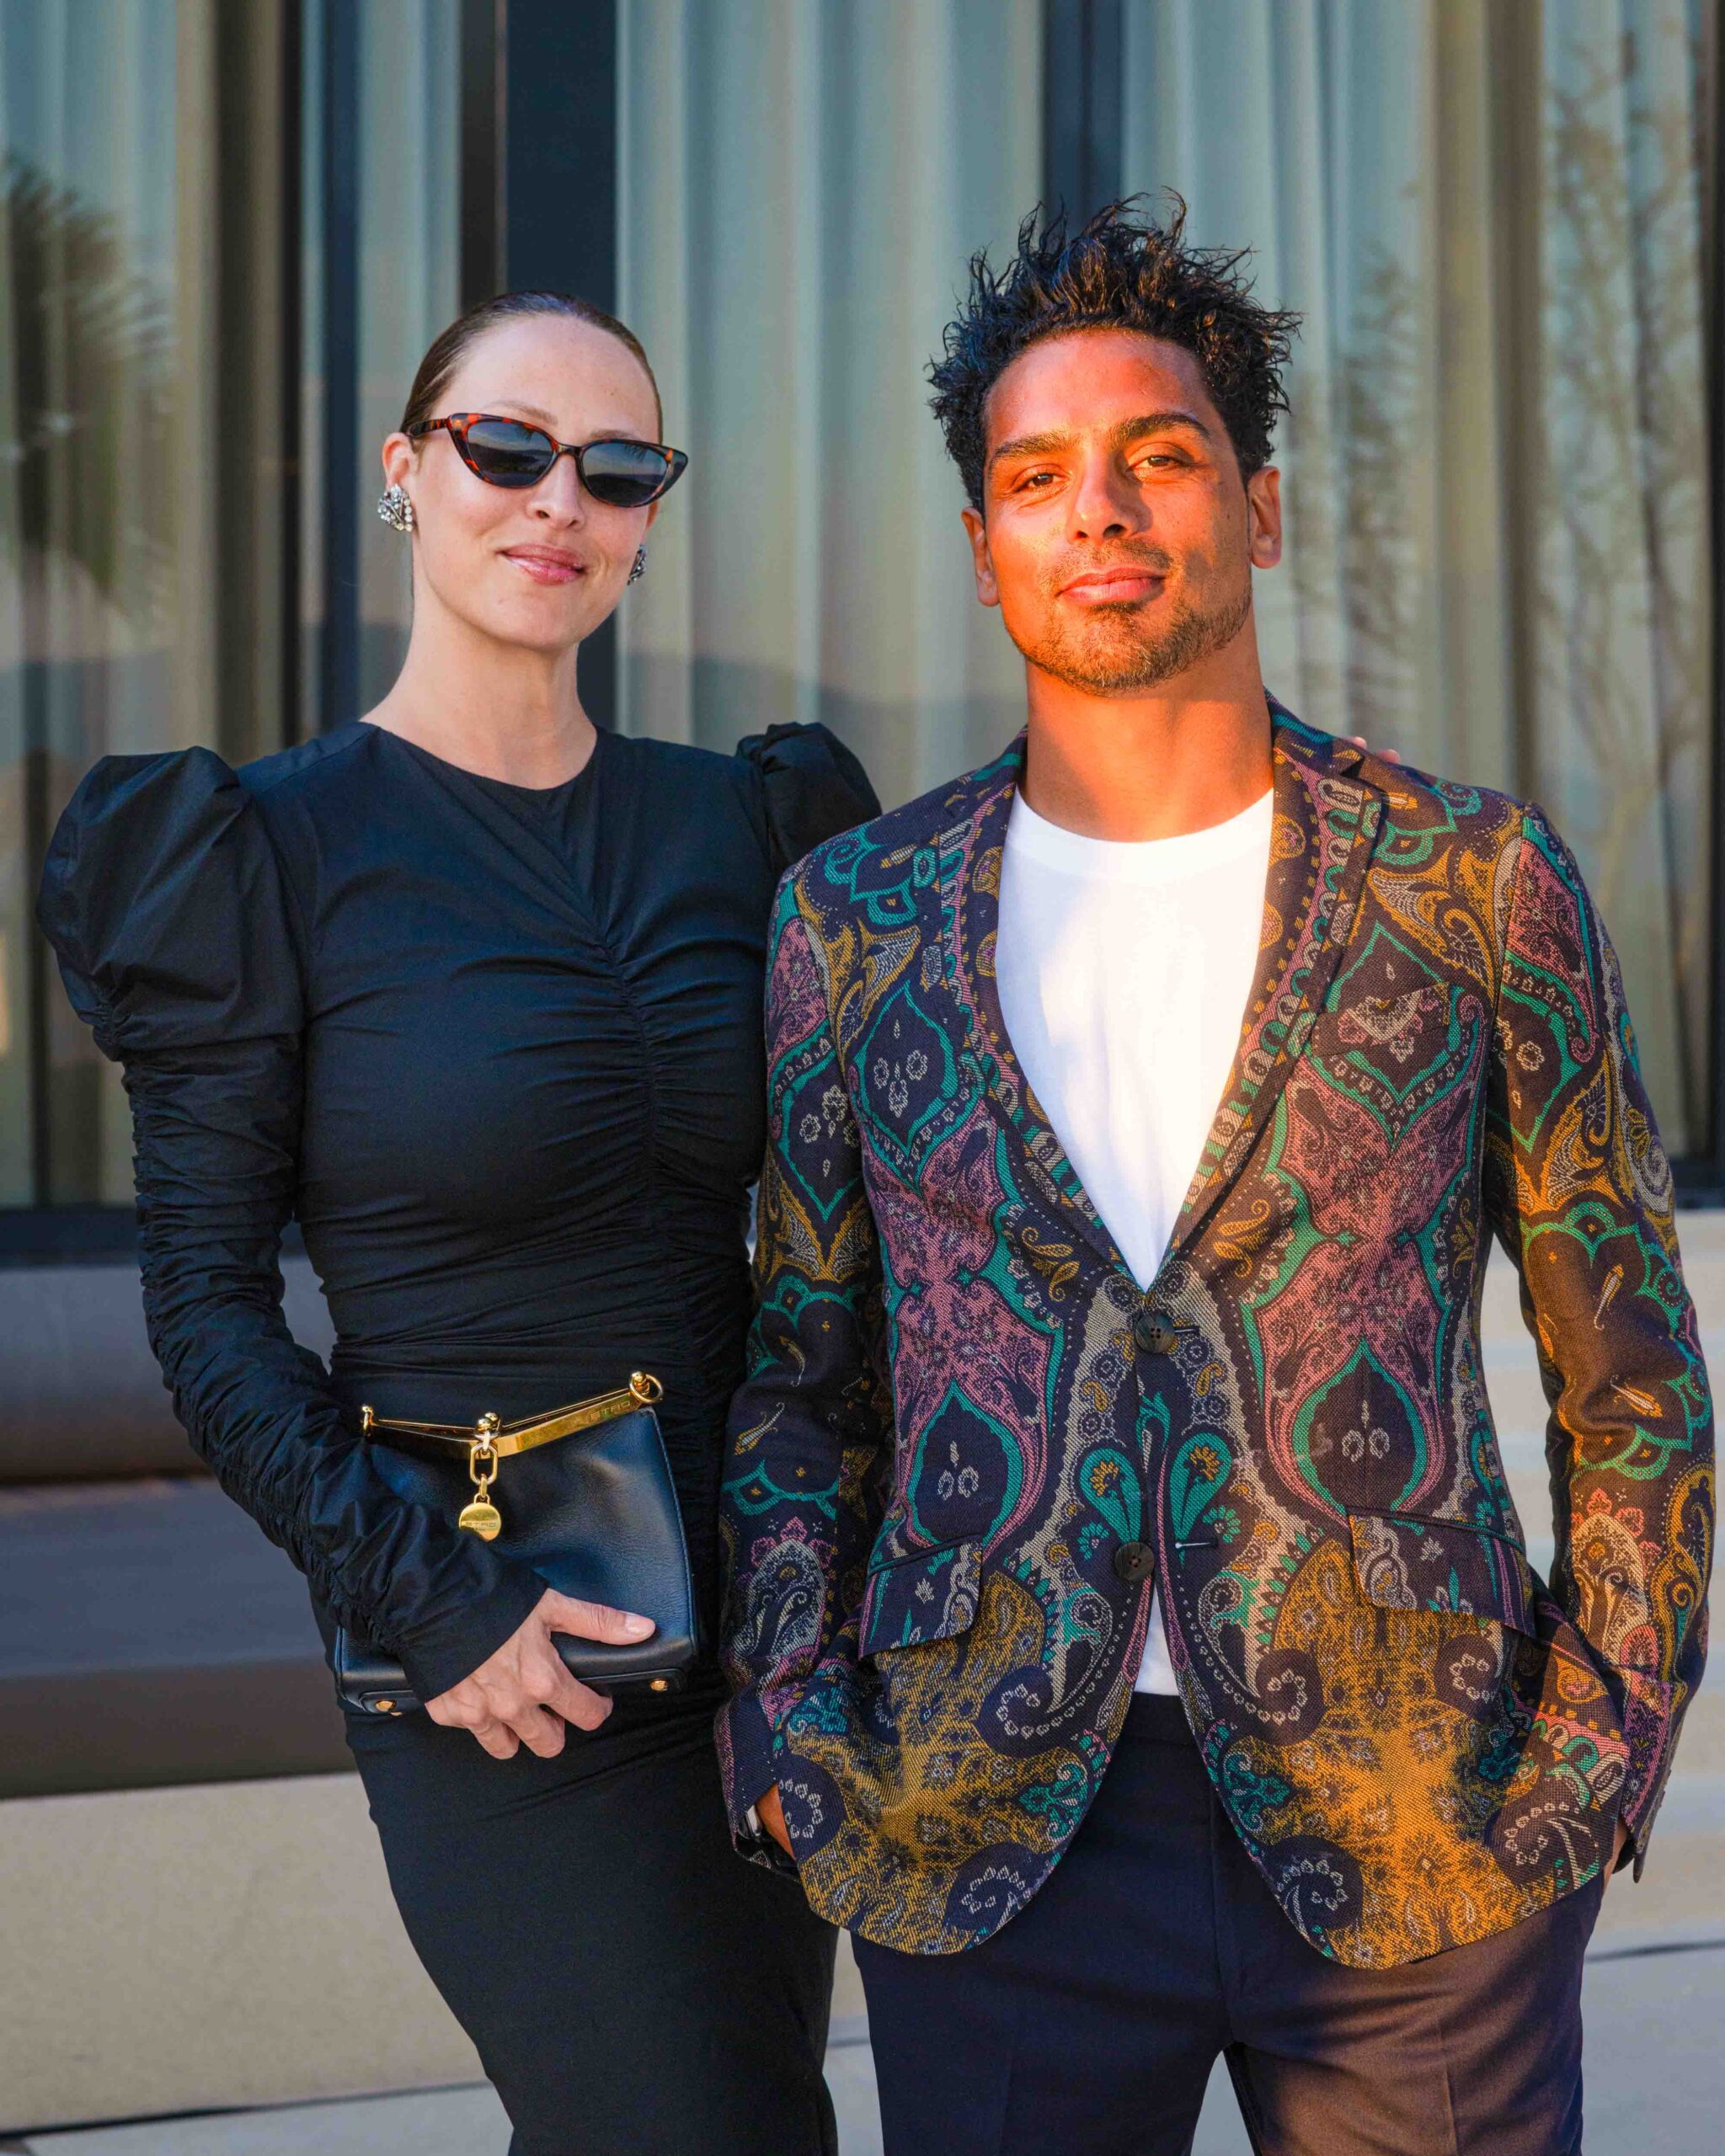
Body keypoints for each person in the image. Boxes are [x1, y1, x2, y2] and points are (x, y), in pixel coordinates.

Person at [717, 201, 1713, 2155]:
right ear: (984, 544)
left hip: (1427, 1830)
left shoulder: (1471, 882)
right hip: (985, 1837)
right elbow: (801, 1377)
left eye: (1155, 455)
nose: (1096, 507)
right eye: (1037, 476)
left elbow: (1634, 1371)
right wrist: (794, 1726)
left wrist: (1598, 1748)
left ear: (1256, 509)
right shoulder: (852, 921)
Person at [38, 289, 876, 2156]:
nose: (556, 498)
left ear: (649, 514)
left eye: (616, 466)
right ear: (407, 474)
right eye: (506, 447)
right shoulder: (260, 853)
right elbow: (204, 1308)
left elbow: (852, 1229)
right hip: (506, 1642)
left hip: (772, 1617)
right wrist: (429, 1598)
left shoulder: (748, 825)